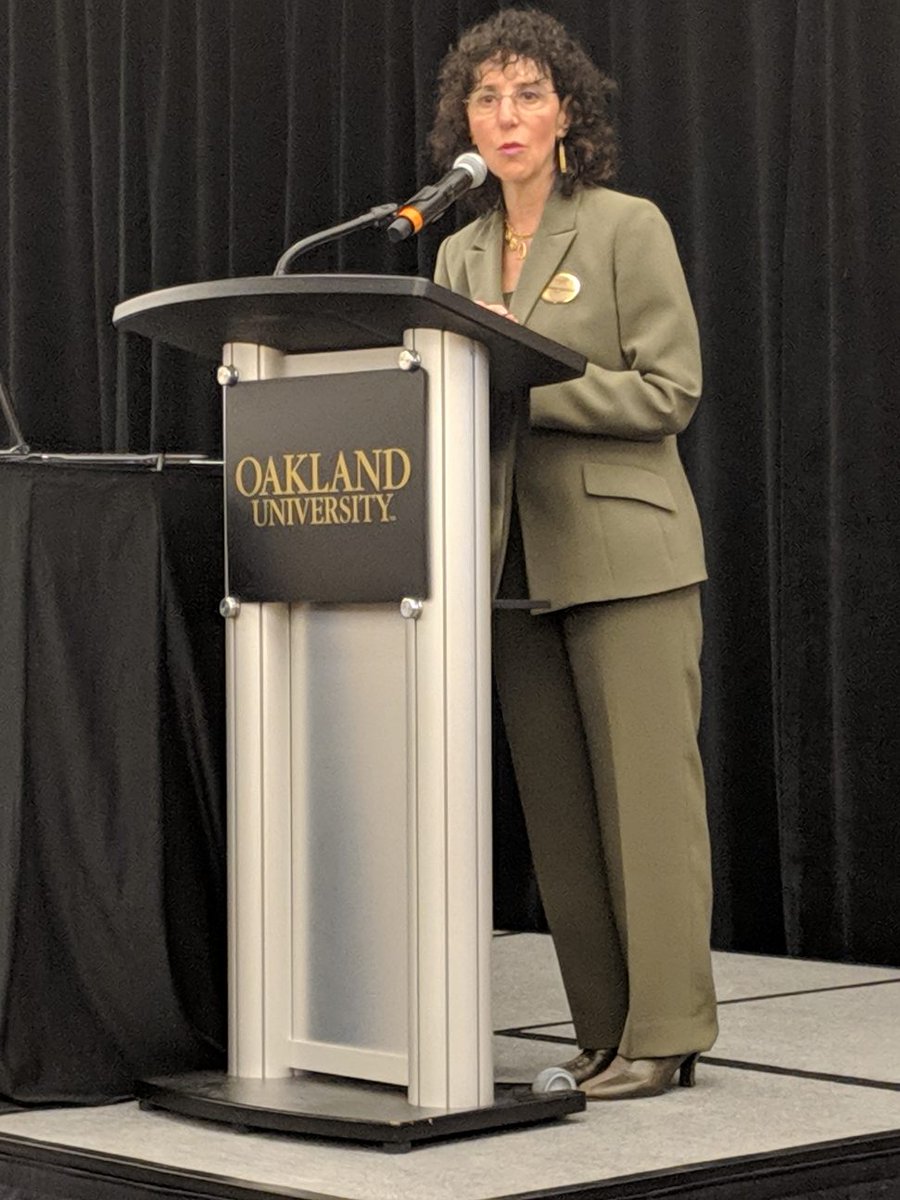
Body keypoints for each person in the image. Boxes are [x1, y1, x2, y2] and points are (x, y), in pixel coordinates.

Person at [430, 9, 718, 1100]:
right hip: (507, 568)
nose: (507, 118)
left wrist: (530, 385)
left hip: (624, 553)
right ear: (466, 119)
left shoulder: (621, 226)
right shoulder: (455, 252)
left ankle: (670, 1030)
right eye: (488, 98)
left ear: (567, 114)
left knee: (647, 804)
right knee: (558, 814)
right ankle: (603, 1033)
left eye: (528, 96)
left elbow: (668, 391)